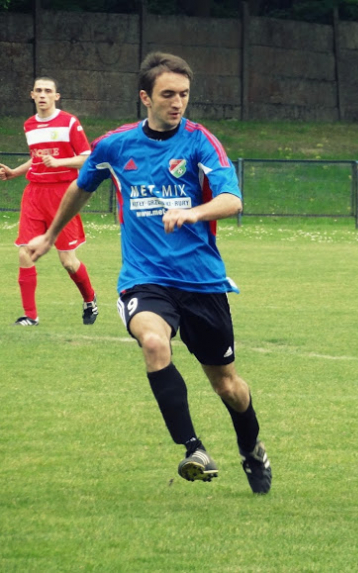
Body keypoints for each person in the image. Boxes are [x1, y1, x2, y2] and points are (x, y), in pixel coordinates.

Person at [27, 52, 272, 494]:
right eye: (168, 95)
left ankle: (251, 448)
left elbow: (232, 200)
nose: (177, 103)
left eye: (184, 95)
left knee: (228, 386)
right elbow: (80, 187)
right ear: (145, 97)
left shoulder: (200, 142)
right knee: (155, 342)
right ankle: (193, 448)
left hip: (201, 282)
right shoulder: (115, 145)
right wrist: (50, 236)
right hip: (145, 278)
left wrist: (193, 211)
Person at [0, 77, 98, 326]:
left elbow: (87, 158)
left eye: (48, 91)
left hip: (64, 195)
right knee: (25, 253)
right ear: (32, 95)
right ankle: (30, 316)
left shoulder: (69, 123)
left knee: (68, 261)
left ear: (57, 96)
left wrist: (60, 163)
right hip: (34, 194)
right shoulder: (29, 125)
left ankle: (90, 300)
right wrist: (14, 172)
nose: (43, 95)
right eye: (39, 91)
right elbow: (37, 159)